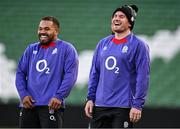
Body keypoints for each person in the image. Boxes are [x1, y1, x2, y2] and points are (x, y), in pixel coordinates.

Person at [85, 4, 150, 128]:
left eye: (121, 16)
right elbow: (95, 73)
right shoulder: (102, 43)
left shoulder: (139, 45)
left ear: (130, 23)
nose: (116, 18)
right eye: (114, 16)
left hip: (123, 107)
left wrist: (137, 105)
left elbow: (143, 77)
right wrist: (90, 98)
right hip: (100, 106)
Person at [15, 16, 79, 128]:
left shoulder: (67, 49)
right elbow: (20, 73)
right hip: (28, 105)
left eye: (47, 29)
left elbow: (71, 76)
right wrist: (23, 95)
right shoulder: (31, 49)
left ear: (56, 31)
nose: (42, 32)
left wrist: (59, 96)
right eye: (40, 29)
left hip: (51, 105)